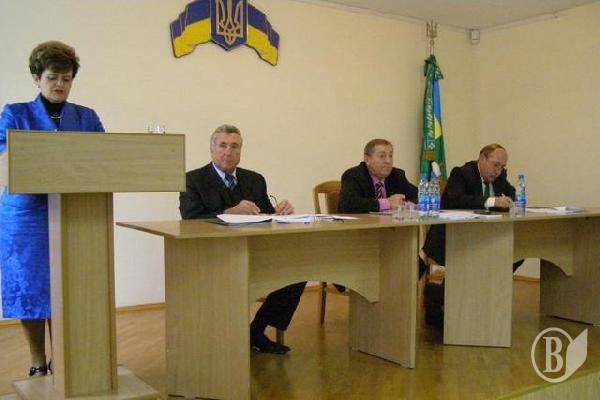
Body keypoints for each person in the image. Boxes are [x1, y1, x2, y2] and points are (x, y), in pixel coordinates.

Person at [0, 41, 104, 377]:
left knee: (69, 287)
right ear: (37, 77)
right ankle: (37, 361)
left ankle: (64, 360)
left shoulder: (86, 117)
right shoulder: (15, 114)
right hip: (27, 215)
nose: (60, 84)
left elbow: (106, 158)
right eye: (52, 77)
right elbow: (4, 159)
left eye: (66, 78)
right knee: (30, 288)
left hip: (75, 213)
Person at [179, 124, 306, 354]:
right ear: (212, 149)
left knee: (297, 272)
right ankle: (222, 339)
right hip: (214, 257)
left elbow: (266, 216)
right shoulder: (193, 180)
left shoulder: (254, 179)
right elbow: (190, 218)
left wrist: (281, 212)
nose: (228, 152)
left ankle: (257, 330)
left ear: (241, 151)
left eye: (234, 146)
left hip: (255, 252)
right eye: (223, 145)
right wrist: (228, 212)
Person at [421, 144, 518, 327]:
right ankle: (443, 300)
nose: (498, 171)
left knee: (515, 254)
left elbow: (512, 195)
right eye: (495, 165)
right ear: (482, 158)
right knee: (471, 258)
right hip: (450, 237)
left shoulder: (499, 177)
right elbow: (455, 200)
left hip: (484, 238)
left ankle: (476, 298)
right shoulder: (462, 173)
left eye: (502, 167)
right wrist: (491, 201)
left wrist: (508, 200)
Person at [338, 138, 418, 214]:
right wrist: (387, 203)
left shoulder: (397, 175)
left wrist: (405, 205)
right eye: (382, 156)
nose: (388, 161)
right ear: (367, 159)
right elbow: (348, 204)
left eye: (390, 156)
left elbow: (418, 196)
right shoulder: (353, 175)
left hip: (390, 223)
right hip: (363, 223)